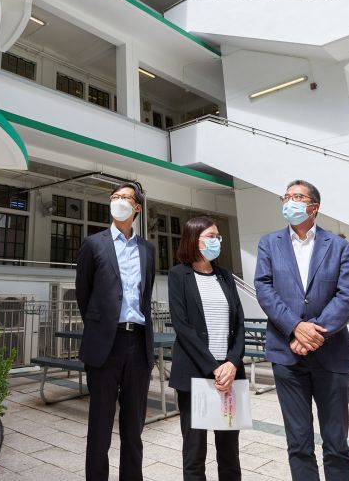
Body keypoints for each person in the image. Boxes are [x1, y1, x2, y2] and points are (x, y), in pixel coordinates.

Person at [254, 179, 349, 481]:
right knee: (298, 442)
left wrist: (315, 333)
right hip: (287, 355)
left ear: (314, 206)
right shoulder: (269, 243)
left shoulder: (338, 246)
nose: (289, 202)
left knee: (336, 441)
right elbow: (264, 288)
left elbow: (348, 296)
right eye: (285, 197)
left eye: (297, 197)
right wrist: (294, 327)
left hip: (331, 355)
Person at [75, 181, 156, 481]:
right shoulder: (93, 244)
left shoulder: (148, 249)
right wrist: (102, 326)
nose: (118, 201)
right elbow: (84, 293)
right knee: (99, 426)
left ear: (137, 208)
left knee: (134, 428)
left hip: (138, 344)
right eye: (114, 197)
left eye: (125, 198)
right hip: (105, 346)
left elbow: (145, 295)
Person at [168, 216, 246, 481]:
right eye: (211, 236)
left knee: (229, 453)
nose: (217, 241)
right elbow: (182, 326)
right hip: (196, 375)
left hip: (230, 374)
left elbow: (239, 323)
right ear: (194, 239)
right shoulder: (179, 274)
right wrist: (214, 368)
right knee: (194, 452)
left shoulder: (225, 276)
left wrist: (232, 363)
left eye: (218, 237)